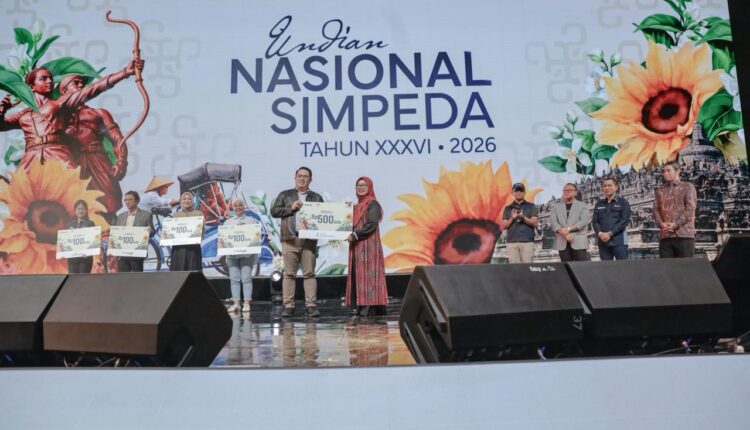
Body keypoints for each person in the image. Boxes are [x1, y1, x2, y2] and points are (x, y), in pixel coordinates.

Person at [0, 59, 143, 169]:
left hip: (57, 153)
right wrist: (2, 108)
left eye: (50, 78)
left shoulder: (59, 103)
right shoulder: (23, 114)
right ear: (31, 87)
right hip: (30, 158)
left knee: (71, 192)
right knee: (18, 193)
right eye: (43, 79)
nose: (50, 81)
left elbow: (93, 89)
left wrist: (125, 72)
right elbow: (2, 125)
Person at [59, 74, 127, 221]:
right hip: (74, 165)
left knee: (107, 202)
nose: (80, 85)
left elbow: (117, 139)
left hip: (98, 161)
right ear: (64, 91)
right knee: (77, 205)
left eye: (82, 83)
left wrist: (121, 162)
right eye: (75, 83)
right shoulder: (59, 118)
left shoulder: (99, 113)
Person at [270, 167, 324, 318]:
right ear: (295, 178)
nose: (302, 178)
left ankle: (311, 306)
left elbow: (324, 217)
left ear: (310, 180)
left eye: (305, 176)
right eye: (299, 176)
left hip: (309, 240)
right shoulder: (285, 194)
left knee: (309, 273)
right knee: (289, 274)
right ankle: (288, 306)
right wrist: (291, 208)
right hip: (290, 238)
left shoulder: (317, 197)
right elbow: (274, 211)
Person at [345, 177, 388, 317]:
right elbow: (350, 223)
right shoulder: (357, 206)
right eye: (358, 185)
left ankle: (370, 306)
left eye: (364, 185)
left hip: (369, 245)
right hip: (357, 246)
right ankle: (361, 304)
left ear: (369, 187)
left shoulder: (372, 204)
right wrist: (346, 211)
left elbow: (371, 224)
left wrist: (355, 235)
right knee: (359, 275)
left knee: (369, 274)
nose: (361, 187)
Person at [653, 160, 697, 258]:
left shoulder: (687, 186)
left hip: (684, 235)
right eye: (664, 171)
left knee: (685, 266)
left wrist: (676, 224)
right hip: (665, 236)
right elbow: (655, 210)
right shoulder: (660, 190)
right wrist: (661, 224)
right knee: (666, 267)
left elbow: (690, 208)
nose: (665, 173)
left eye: (668, 170)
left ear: (677, 171)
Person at [225, 199, 260, 314]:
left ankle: (246, 303)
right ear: (232, 208)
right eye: (235, 206)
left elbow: (256, 237)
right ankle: (236, 304)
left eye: (240, 205)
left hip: (247, 255)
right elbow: (223, 239)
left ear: (244, 207)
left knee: (246, 278)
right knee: (234, 279)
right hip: (232, 255)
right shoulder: (228, 223)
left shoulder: (251, 221)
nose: (238, 207)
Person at [592, 177, 631, 260]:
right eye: (604, 186)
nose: (607, 188)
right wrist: (600, 233)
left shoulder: (623, 203)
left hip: (619, 241)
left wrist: (610, 233)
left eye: (609, 185)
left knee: (623, 266)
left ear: (616, 187)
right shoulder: (599, 204)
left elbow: (624, 221)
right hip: (603, 242)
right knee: (606, 267)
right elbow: (595, 222)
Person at [550, 183, 591, 262]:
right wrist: (565, 234)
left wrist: (568, 229)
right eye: (565, 190)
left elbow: (583, 221)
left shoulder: (582, 205)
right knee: (566, 267)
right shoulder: (556, 207)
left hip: (578, 242)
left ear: (575, 192)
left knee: (582, 267)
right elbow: (553, 222)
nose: (566, 192)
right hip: (562, 242)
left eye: (569, 190)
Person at [115, 191, 154, 272]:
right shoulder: (120, 216)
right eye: (125, 200)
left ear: (137, 201)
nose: (127, 202)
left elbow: (152, 231)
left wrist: (150, 231)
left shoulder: (146, 215)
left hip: (137, 253)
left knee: (137, 277)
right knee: (123, 277)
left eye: (130, 199)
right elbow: (117, 234)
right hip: (123, 253)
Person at [501, 183, 538, 263]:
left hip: (527, 242)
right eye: (516, 190)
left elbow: (534, 222)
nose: (519, 192)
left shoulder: (531, 206)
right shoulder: (508, 208)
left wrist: (523, 218)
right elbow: (504, 226)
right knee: (514, 269)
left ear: (524, 192)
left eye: (521, 190)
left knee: (527, 268)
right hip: (512, 243)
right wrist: (512, 218)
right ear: (512, 193)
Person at [170, 191, 204, 271]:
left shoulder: (198, 214)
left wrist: (199, 237)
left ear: (192, 201)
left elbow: (202, 230)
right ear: (181, 201)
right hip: (178, 249)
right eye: (184, 199)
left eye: (189, 199)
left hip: (193, 248)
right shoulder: (176, 215)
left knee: (193, 271)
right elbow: (172, 232)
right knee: (179, 271)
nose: (187, 201)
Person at [66, 199, 96, 273]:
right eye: (78, 209)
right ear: (75, 211)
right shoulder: (70, 225)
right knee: (72, 279)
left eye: (83, 209)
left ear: (86, 211)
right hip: (72, 259)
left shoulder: (90, 224)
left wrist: (88, 252)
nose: (80, 211)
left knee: (82, 279)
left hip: (85, 259)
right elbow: (66, 241)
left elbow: (94, 241)